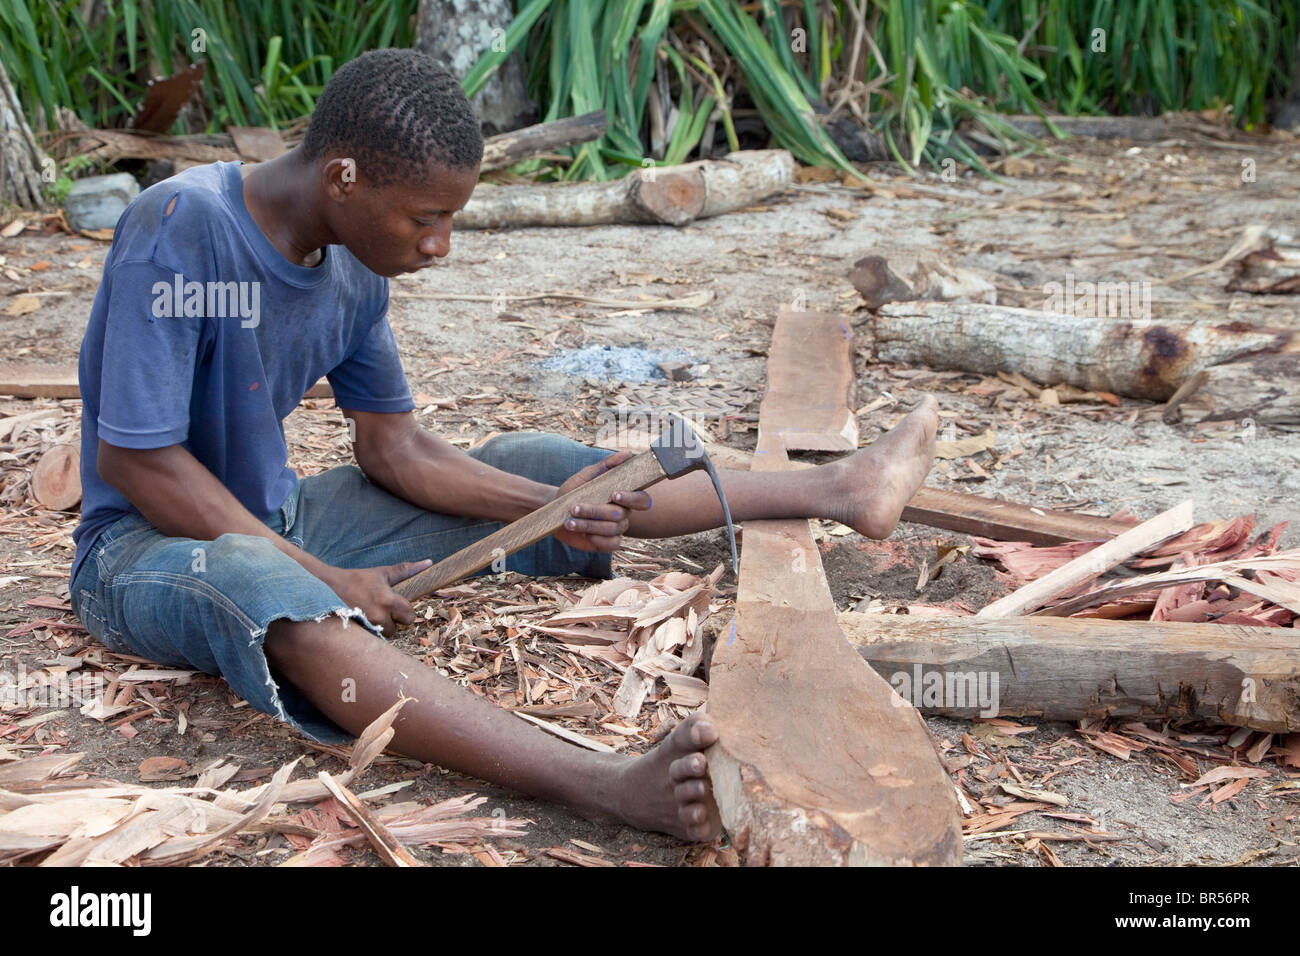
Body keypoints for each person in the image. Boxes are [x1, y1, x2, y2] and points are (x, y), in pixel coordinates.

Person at [70, 49, 938, 842]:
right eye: (425, 218)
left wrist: (552, 511)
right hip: (142, 551)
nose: (438, 246)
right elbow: (138, 463)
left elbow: (396, 449)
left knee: (531, 459)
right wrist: (323, 575)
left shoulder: (354, 270)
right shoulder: (182, 225)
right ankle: (599, 785)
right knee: (276, 589)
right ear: (342, 175)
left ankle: (839, 492)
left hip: (278, 514)